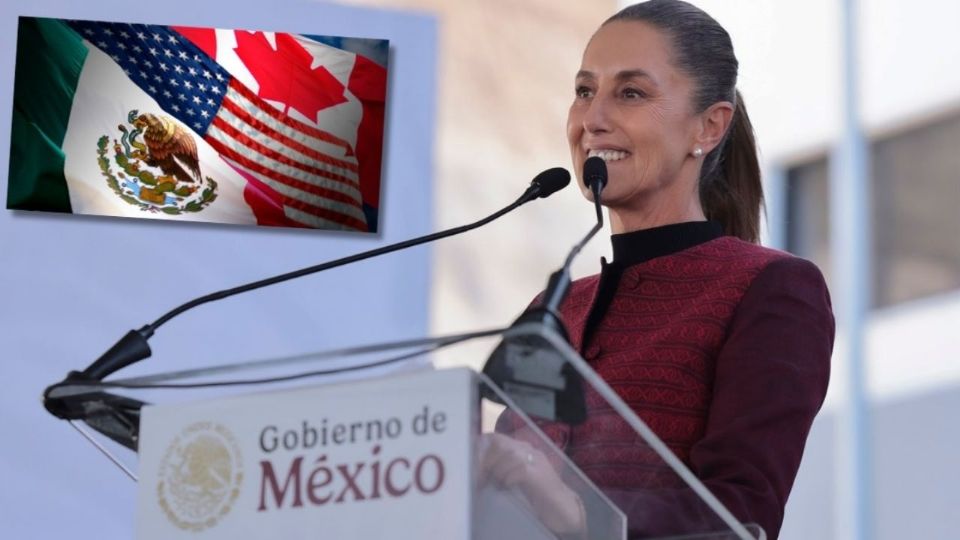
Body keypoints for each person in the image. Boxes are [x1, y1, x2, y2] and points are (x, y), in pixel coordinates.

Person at [483, 2, 834, 539]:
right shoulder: (555, 309)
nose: (592, 119)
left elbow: (741, 515)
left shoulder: (768, 288)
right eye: (583, 91)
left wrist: (579, 512)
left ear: (709, 126)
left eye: (630, 93)